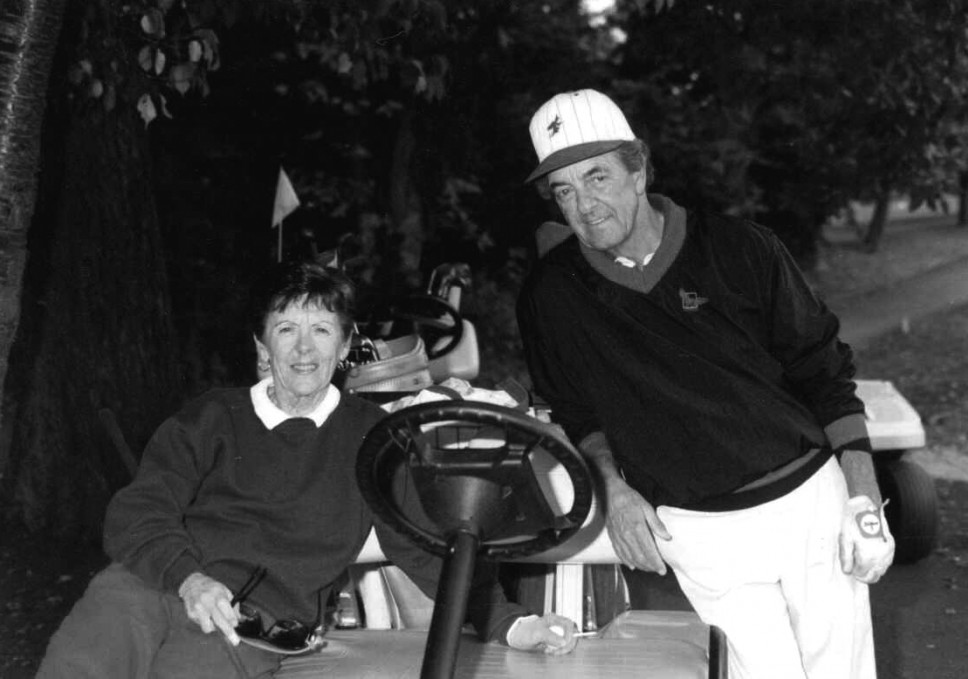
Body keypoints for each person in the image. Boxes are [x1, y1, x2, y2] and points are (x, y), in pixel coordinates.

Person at [36, 260, 577, 679]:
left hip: (246, 627)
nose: (302, 348)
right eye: (286, 328)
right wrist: (188, 579)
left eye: (320, 330)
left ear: (343, 347)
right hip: (158, 585)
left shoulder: (370, 437)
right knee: (92, 647)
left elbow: (424, 547)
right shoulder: (212, 417)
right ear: (261, 346)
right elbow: (136, 512)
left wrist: (512, 622)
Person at [516, 89, 895, 679]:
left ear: (638, 168)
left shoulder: (742, 249)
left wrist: (863, 496)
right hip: (694, 528)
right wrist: (613, 490)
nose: (585, 204)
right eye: (565, 190)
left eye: (597, 177)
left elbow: (823, 368)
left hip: (808, 505)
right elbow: (574, 410)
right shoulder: (551, 295)